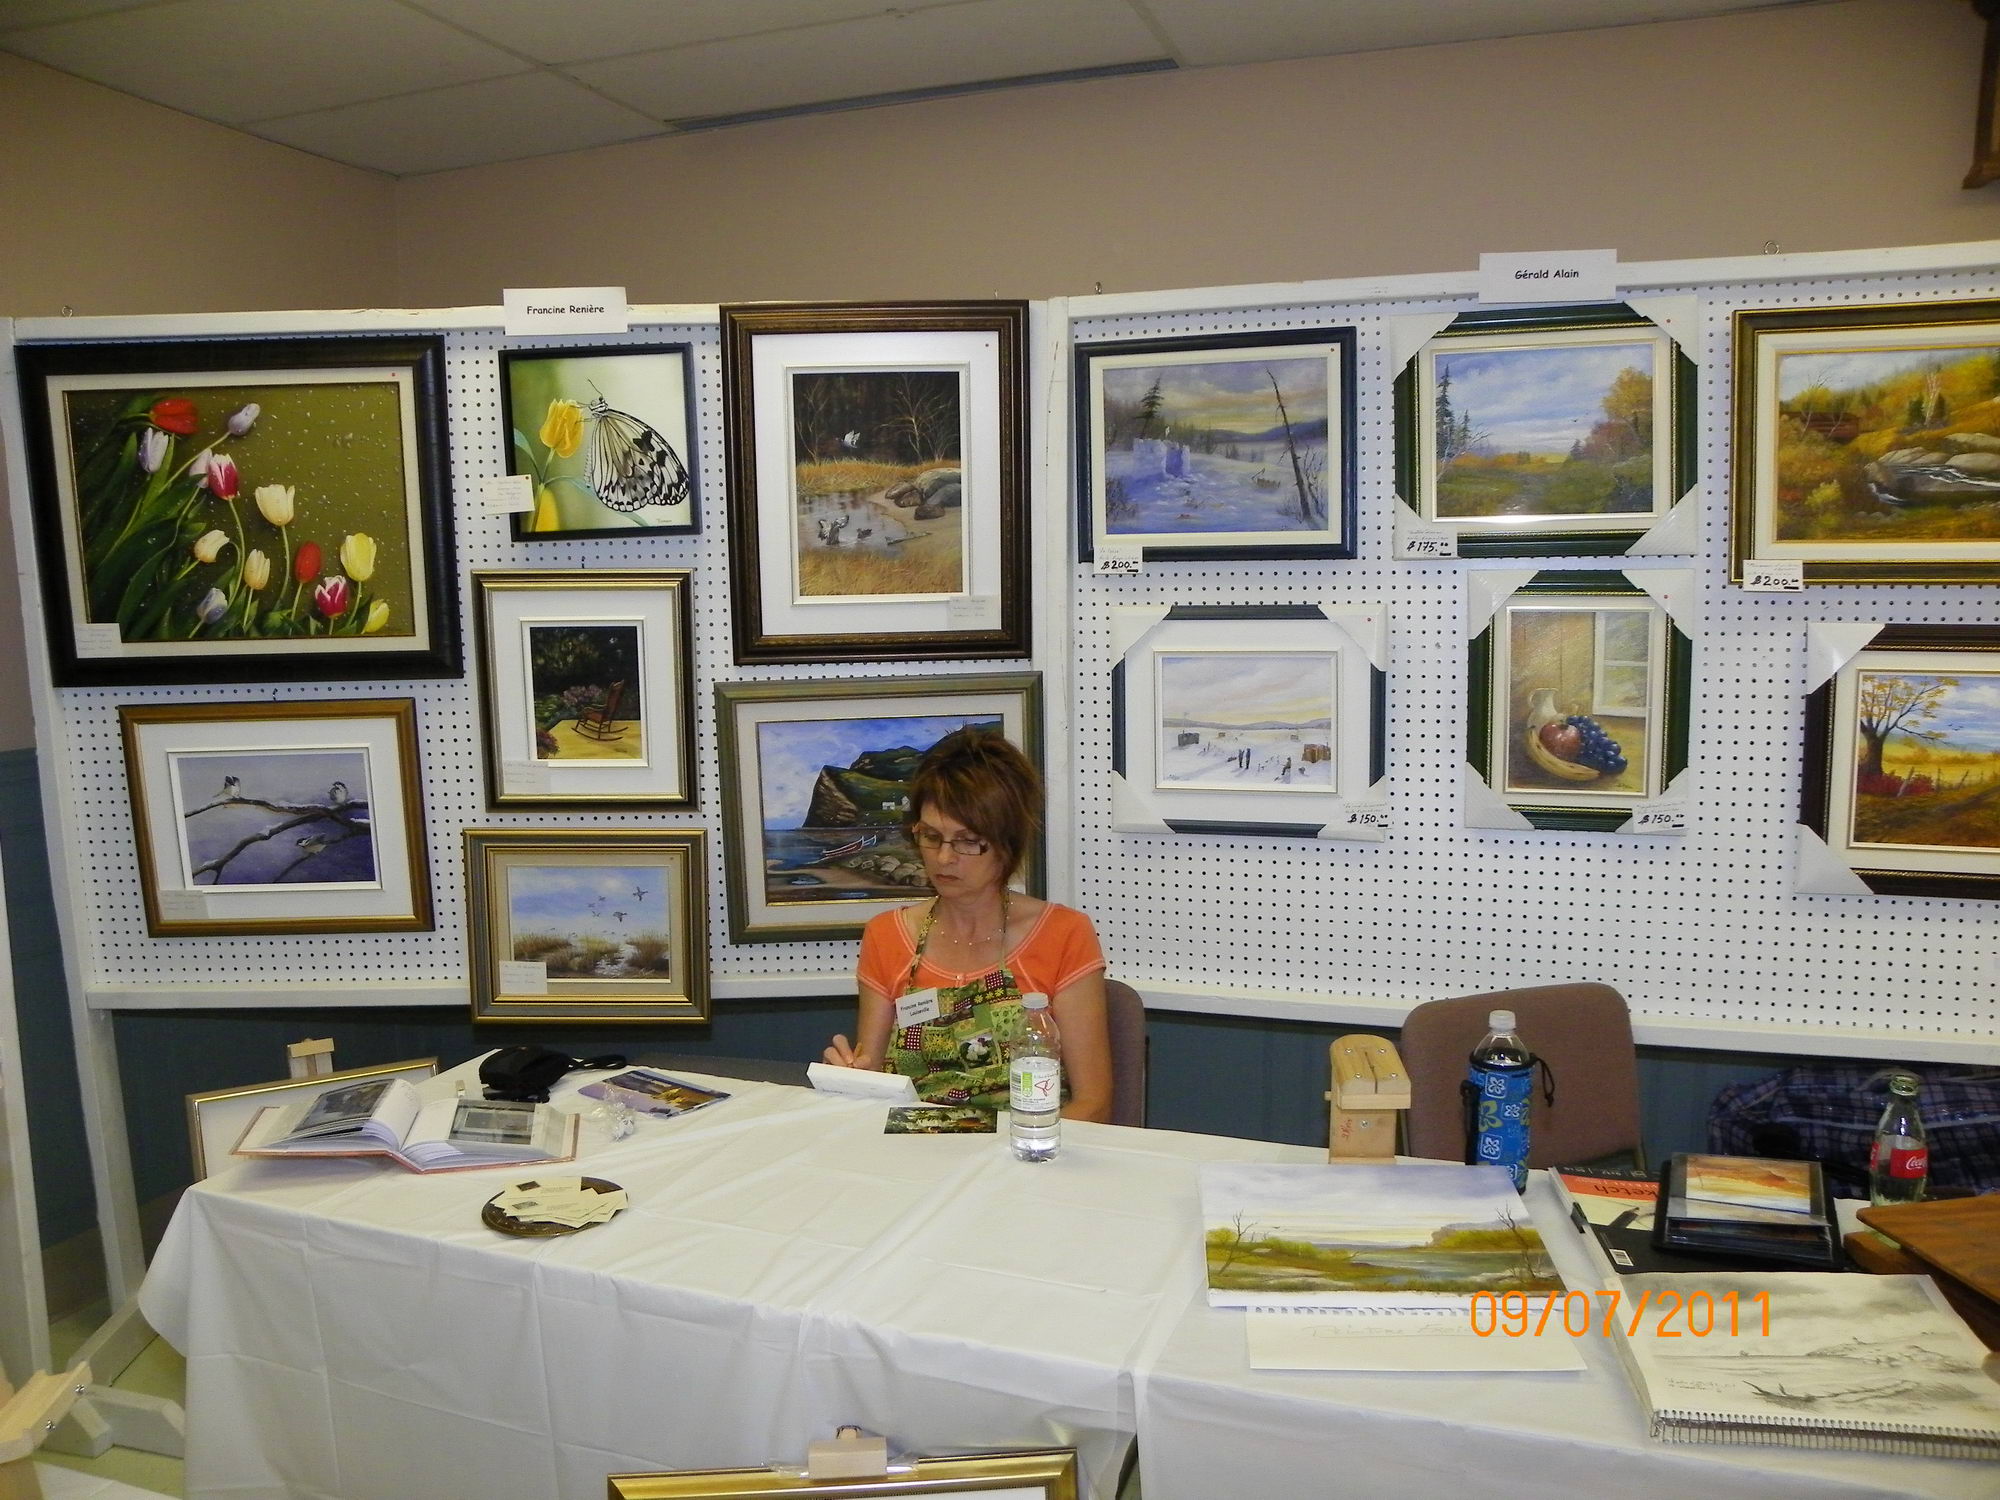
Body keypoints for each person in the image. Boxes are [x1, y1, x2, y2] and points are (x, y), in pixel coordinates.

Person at [822, 728, 1113, 1121]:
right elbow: (871, 1074)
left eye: (967, 840)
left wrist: (1027, 1146)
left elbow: (1094, 1102)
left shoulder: (1063, 934)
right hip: (916, 1144)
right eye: (931, 836)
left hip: (1023, 1145)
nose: (944, 858)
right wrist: (853, 1077)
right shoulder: (886, 935)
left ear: (1007, 842)